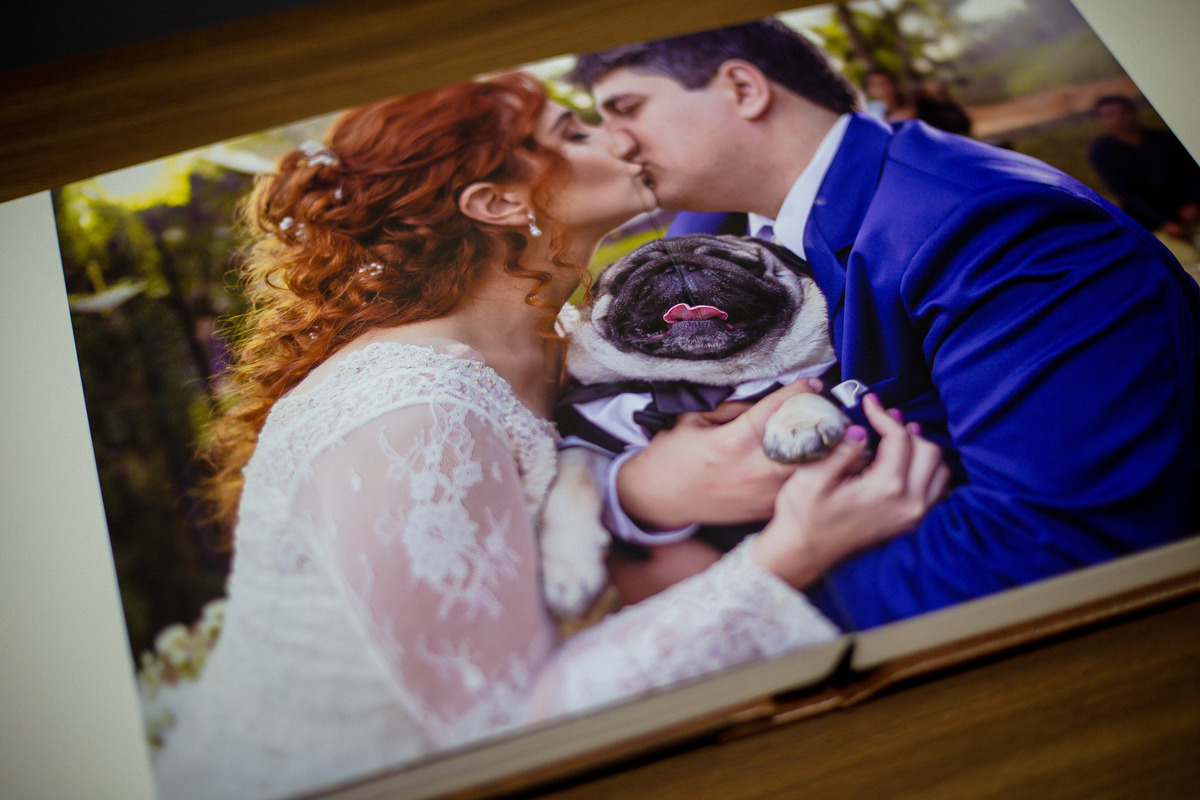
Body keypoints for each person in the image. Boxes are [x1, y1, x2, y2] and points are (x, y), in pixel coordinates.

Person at [152, 73, 947, 800]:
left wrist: (635, 490)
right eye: (574, 132)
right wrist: (791, 553)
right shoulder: (408, 412)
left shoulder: (561, 337)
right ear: (499, 203)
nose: (618, 135)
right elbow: (500, 728)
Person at [568, 20, 1200, 630]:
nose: (615, 143)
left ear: (743, 88)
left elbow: (1055, 543)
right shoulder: (705, 232)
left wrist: (721, 595)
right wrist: (636, 492)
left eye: (627, 109)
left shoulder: (998, 230)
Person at [1088, 94, 1200, 265]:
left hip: (1191, 211)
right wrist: (1164, 223)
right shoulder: (1102, 152)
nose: (1118, 118)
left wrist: (1193, 203)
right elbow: (1125, 193)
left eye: (1123, 112)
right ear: (1101, 119)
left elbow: (1193, 173)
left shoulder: (1164, 139)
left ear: (1133, 112)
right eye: (1109, 115)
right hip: (1152, 222)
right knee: (1185, 260)